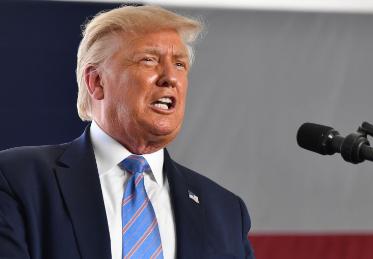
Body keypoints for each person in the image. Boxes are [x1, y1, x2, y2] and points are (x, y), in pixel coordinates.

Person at [0, 5, 254, 259]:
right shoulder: (17, 180)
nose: (170, 78)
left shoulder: (226, 211)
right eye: (149, 60)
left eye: (179, 64)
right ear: (96, 82)